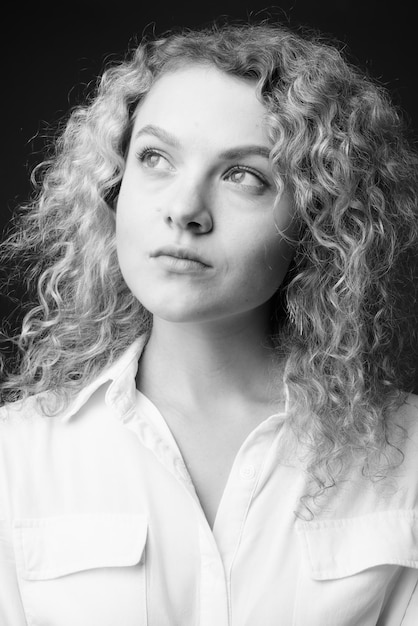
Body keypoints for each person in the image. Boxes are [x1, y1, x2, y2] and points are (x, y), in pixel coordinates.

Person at [1, 18, 418, 626]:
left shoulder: (407, 456)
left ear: (320, 218)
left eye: (243, 175)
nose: (184, 209)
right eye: (155, 158)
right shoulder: (16, 457)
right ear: (114, 185)